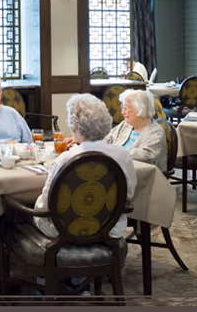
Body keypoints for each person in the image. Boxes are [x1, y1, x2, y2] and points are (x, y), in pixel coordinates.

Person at [33, 94, 136, 239]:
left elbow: (45, 206)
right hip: (110, 228)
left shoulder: (65, 160)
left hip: (64, 232)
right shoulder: (122, 155)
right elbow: (129, 194)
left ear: (75, 126)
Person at [104, 90, 167, 172]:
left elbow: (145, 156)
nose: (122, 112)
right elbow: (108, 139)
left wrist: (115, 152)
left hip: (142, 176)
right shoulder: (126, 125)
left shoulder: (156, 133)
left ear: (140, 109)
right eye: (122, 107)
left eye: (126, 108)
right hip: (118, 168)